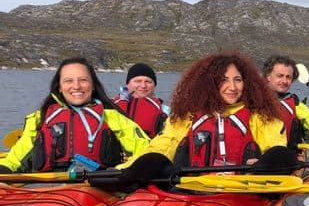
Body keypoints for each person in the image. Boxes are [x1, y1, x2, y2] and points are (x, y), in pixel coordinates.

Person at [99, 52, 294, 187]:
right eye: (223, 80)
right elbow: (164, 144)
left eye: (238, 79)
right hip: (194, 188)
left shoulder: (259, 115)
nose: (232, 87)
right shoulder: (188, 114)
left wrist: (268, 162)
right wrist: (126, 169)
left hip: (243, 190)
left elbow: (274, 145)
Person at [0, 57, 150, 173]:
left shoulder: (113, 117)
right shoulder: (40, 118)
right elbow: (16, 157)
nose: (76, 86)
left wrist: (124, 169)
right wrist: (6, 169)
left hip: (99, 188)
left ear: (92, 85)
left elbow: (147, 151)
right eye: (68, 81)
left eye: (83, 80)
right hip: (48, 187)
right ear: (59, 86)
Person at [262, 54, 309, 148]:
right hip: (261, 159)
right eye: (280, 76)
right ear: (268, 76)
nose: (284, 81)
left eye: (288, 77)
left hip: (288, 157)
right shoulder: (254, 101)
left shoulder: (295, 103)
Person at [114, 62, 169, 138]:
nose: (143, 86)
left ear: (154, 86)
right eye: (138, 81)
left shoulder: (165, 111)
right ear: (128, 84)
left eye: (148, 82)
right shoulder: (111, 106)